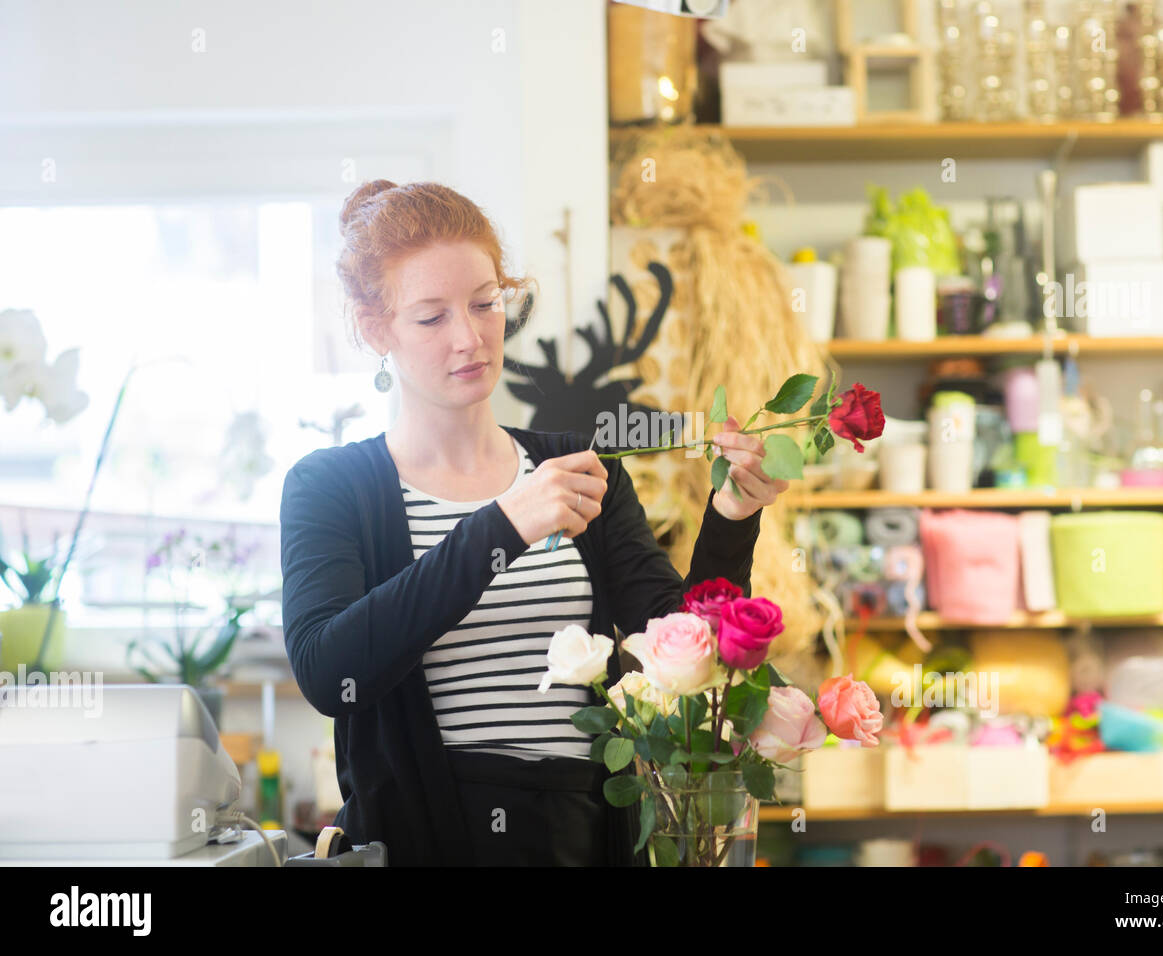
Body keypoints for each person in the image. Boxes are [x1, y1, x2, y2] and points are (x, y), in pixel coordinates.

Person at [279, 179, 789, 866]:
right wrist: (502, 527)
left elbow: (684, 657)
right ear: (377, 330)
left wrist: (731, 517)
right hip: (419, 841)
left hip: (582, 839)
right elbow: (330, 672)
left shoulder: (577, 469)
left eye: (486, 303)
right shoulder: (331, 487)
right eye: (431, 317)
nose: (469, 337)